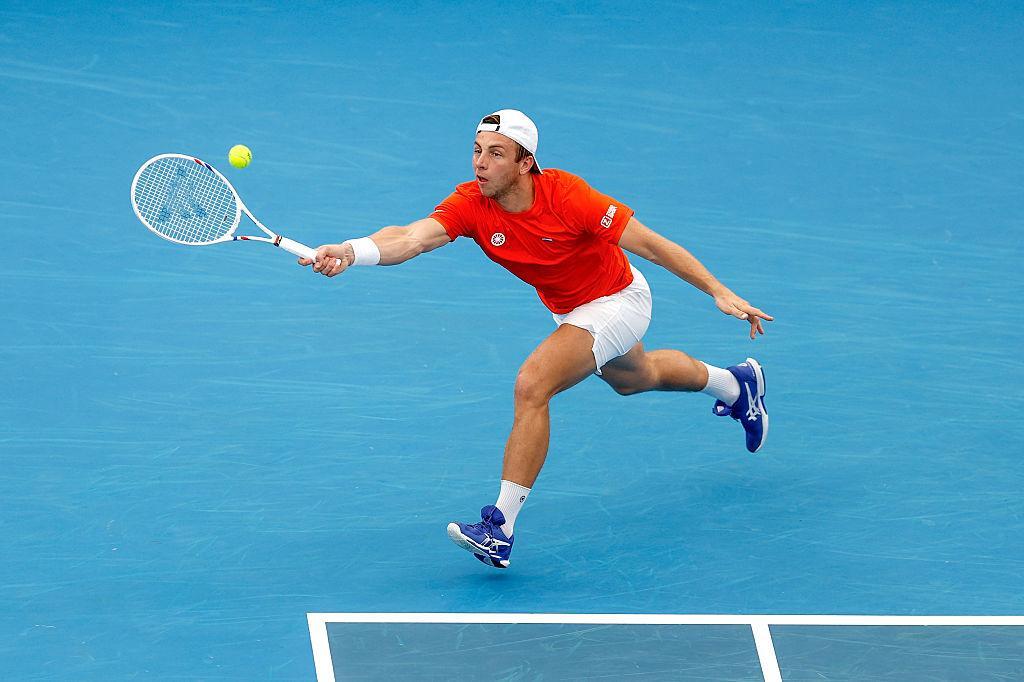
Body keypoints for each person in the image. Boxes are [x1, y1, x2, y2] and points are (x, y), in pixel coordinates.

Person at [299, 109, 773, 569]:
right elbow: (410, 237)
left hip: (618, 301)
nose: (480, 163)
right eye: (477, 150)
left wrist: (718, 291)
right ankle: (736, 385)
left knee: (533, 384)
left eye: (496, 154)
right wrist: (350, 251)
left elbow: (651, 243)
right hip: (571, 308)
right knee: (635, 377)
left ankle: (500, 527)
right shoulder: (471, 202)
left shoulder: (569, 197)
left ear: (526, 162)